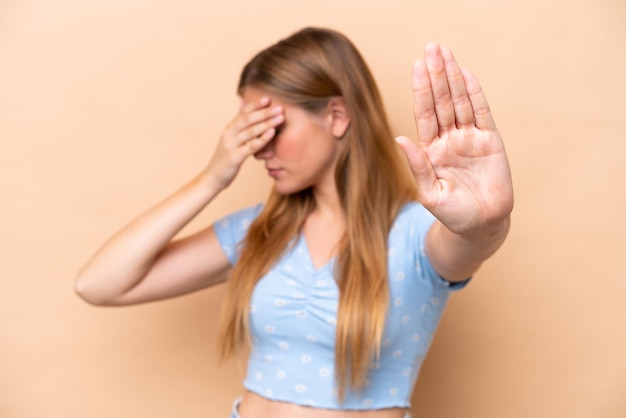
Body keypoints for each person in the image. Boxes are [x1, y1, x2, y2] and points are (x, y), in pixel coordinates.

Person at [75, 27, 513, 418]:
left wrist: (488, 222)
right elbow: (99, 284)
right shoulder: (258, 234)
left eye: (272, 127)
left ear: (337, 116)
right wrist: (212, 178)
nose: (258, 149)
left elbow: (469, 241)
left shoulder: (415, 233)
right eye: (249, 131)